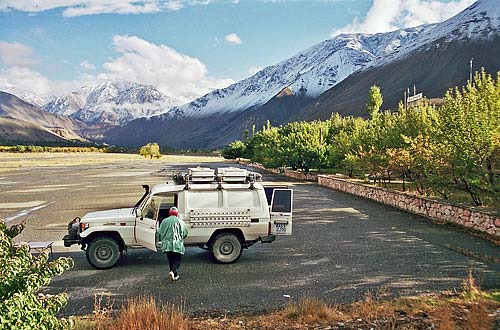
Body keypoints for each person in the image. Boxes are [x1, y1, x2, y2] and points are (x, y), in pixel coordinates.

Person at [157, 206, 188, 281]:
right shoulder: (181, 222)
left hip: (167, 245)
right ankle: (172, 272)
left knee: (171, 260)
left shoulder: (164, 221)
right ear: (177, 213)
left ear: (169, 213)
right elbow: (185, 233)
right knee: (177, 259)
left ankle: (174, 275)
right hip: (177, 244)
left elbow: (159, 232)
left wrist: (161, 240)